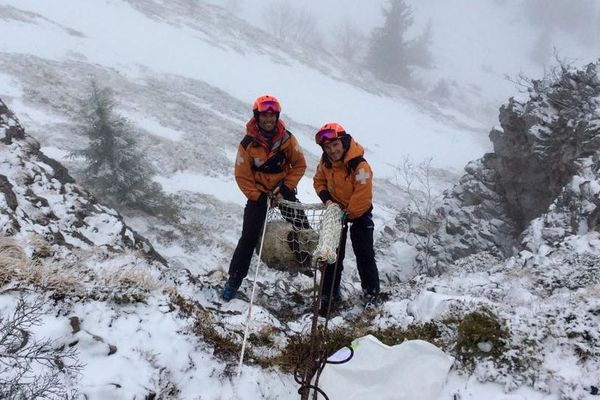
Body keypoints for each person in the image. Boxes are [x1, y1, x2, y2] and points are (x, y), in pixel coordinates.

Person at [222, 95, 307, 301]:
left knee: (305, 230)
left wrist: (284, 189)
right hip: (258, 196)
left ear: (277, 116)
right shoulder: (248, 144)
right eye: (264, 115)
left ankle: (309, 265)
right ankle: (233, 281)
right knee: (248, 239)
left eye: (272, 115)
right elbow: (242, 175)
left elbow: (299, 165)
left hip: (283, 193)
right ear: (257, 117)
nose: (268, 119)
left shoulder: (287, 139)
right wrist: (259, 196)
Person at [313, 122, 381, 316]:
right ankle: (329, 293)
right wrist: (328, 202)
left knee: (364, 254)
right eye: (327, 147)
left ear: (343, 142)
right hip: (337, 210)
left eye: (335, 145)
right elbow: (319, 181)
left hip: (359, 213)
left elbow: (362, 195)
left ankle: (371, 294)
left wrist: (347, 213)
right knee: (333, 256)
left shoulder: (359, 165)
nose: (332, 150)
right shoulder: (326, 164)